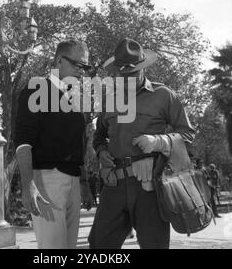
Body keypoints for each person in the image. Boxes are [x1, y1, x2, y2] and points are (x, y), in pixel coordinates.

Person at [89, 38, 195, 249]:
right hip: (114, 185)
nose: (127, 79)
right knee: (98, 245)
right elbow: (99, 135)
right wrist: (101, 151)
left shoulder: (164, 95)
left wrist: (158, 142)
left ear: (143, 69)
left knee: (154, 245)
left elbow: (188, 135)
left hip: (150, 187)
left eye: (133, 74)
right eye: (123, 75)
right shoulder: (109, 99)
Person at [15, 39, 93, 249]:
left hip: (74, 182)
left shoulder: (78, 96)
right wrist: (27, 184)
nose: (82, 71)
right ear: (59, 61)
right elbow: (23, 141)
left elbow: (81, 142)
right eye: (78, 65)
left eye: (85, 67)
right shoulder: (35, 90)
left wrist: (85, 183)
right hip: (46, 180)